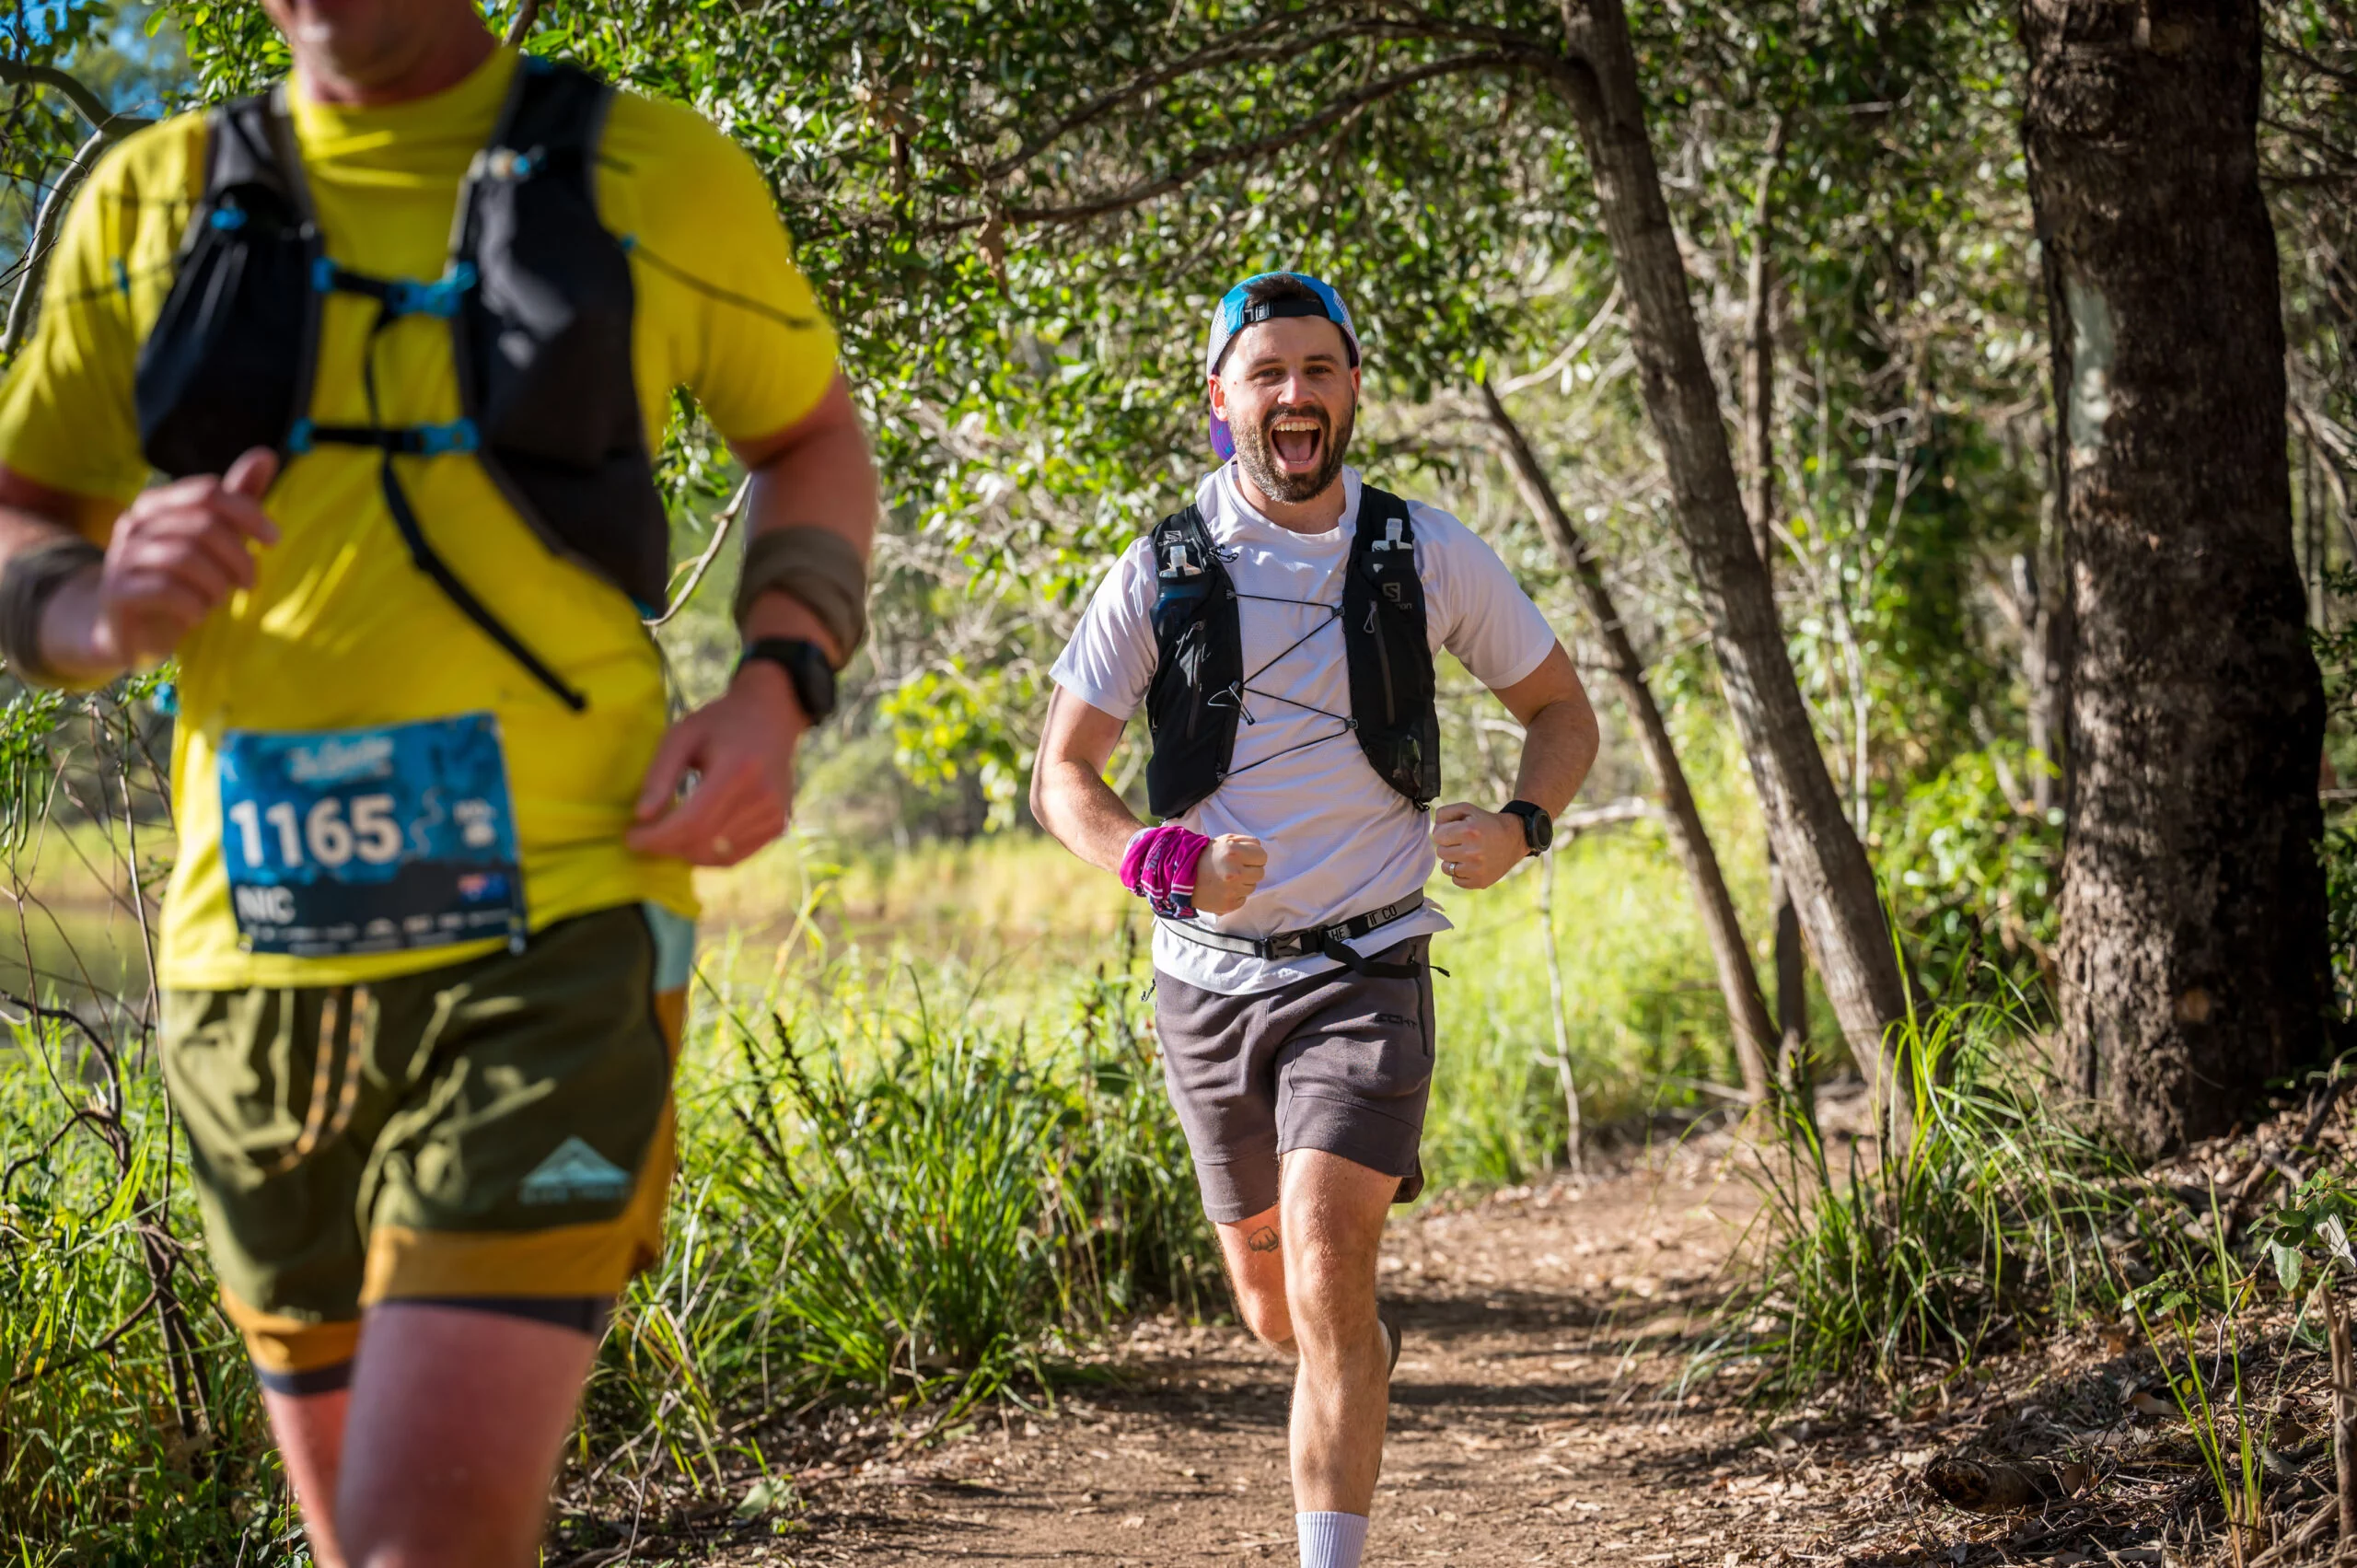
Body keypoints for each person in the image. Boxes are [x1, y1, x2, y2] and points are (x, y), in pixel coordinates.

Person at [0, 1, 876, 1562]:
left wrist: (776, 684)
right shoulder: (148, 203)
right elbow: (23, 511)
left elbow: (808, 434)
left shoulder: (651, 172)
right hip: (248, 976)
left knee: (426, 1538)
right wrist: (93, 607)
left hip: (564, 933)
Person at [1030, 271, 1599, 1568]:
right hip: (1206, 978)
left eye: (1320, 370)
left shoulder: (1425, 550)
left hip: (1369, 958)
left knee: (1332, 1262)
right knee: (1275, 1306)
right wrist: (1164, 861)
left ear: (1351, 390)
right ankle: (1357, 1347)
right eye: (1268, 373)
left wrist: (1519, 827)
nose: (1296, 394)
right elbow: (1061, 775)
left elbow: (1563, 712)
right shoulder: (1161, 568)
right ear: (1220, 403)